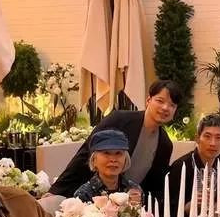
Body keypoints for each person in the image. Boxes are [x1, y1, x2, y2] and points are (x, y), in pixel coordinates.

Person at [49, 80, 181, 201]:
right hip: (92, 198)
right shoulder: (119, 120)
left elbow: (155, 184)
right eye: (160, 101)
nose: (165, 108)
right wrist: (57, 190)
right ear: (148, 100)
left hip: (128, 204)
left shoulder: (165, 144)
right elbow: (84, 154)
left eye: (172, 105)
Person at [168, 114, 220, 217]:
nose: (213, 143)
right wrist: (188, 207)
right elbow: (167, 209)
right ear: (197, 138)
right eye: (207, 136)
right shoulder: (181, 167)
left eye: (218, 137)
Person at [74, 129, 143, 204]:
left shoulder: (134, 189)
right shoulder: (84, 194)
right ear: (94, 159)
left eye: (118, 153)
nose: (113, 160)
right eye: (106, 153)